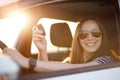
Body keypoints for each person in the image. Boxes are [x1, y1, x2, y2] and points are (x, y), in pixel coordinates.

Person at [3, 17, 116, 72]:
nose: (90, 38)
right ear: (78, 38)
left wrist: (26, 61)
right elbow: (46, 71)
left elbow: (82, 68)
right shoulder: (69, 61)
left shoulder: (107, 61)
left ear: (102, 35)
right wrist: (42, 50)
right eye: (84, 34)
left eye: (95, 33)